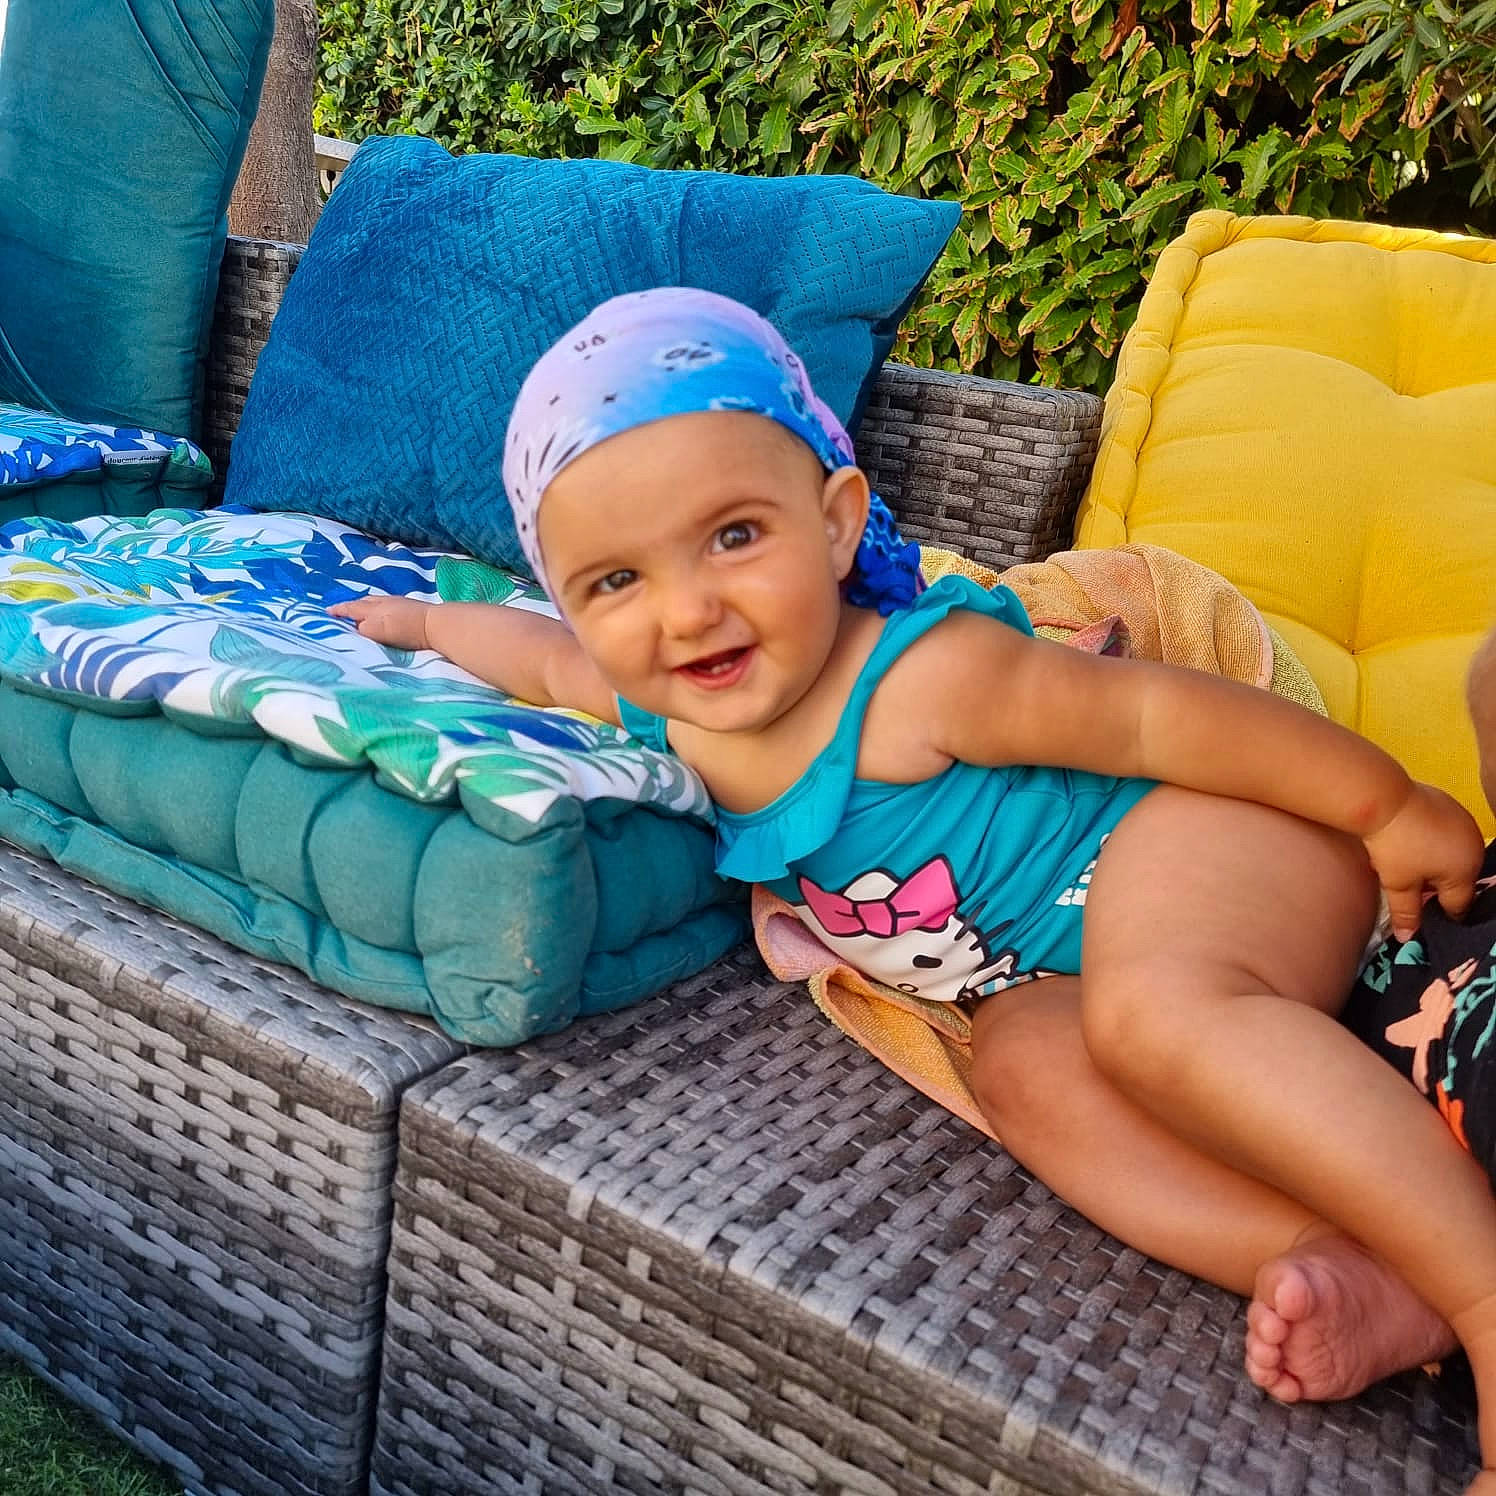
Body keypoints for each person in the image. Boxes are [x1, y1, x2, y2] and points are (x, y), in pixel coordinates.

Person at [332, 288, 1496, 1490]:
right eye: (616, 579)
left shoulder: (920, 678)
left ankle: (1479, 1292)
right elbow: (536, 657)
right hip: (1070, 970)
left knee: (1152, 1009)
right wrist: (421, 619)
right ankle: (1350, 1258)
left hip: (1214, 847)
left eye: (733, 535)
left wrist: (1380, 804)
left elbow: (1156, 718)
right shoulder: (660, 703)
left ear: (836, 521)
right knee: (1021, 1069)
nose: (687, 609)